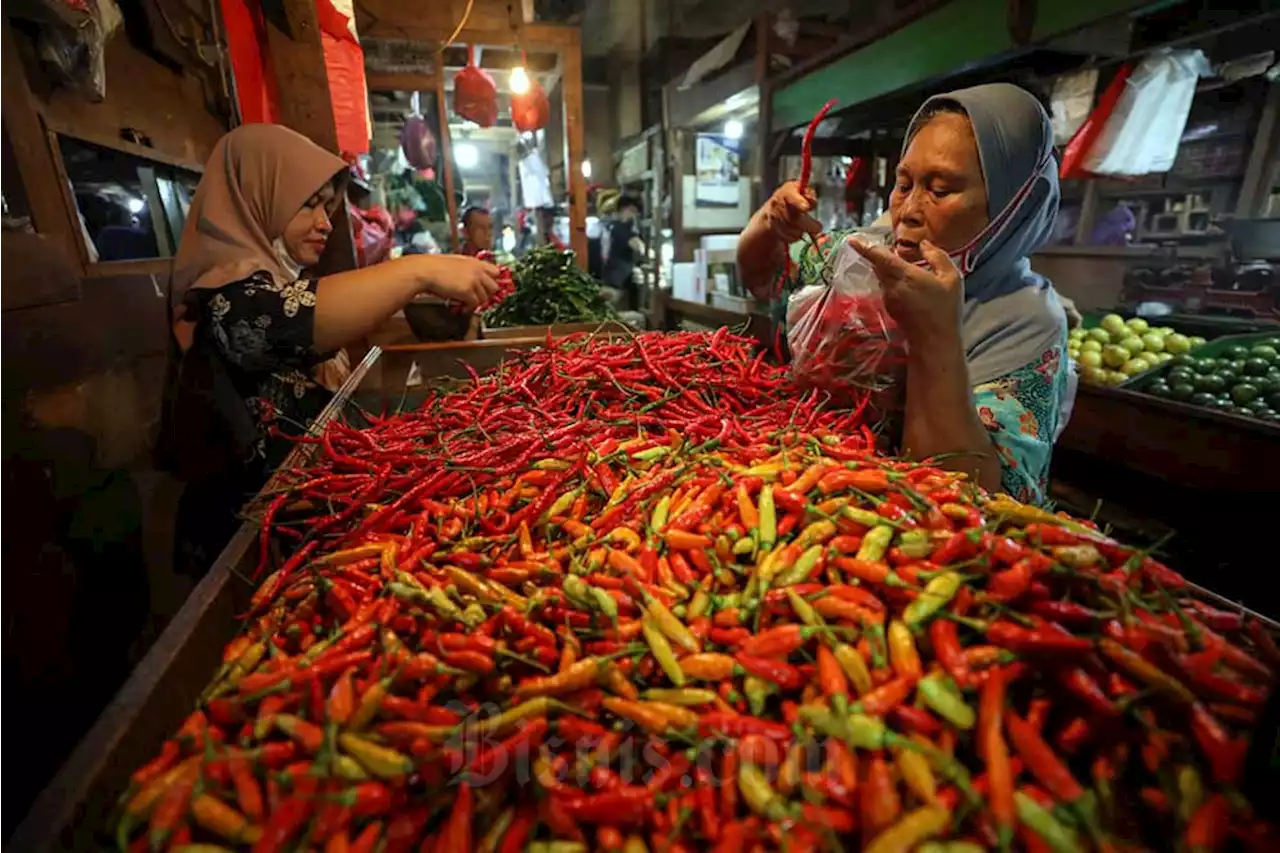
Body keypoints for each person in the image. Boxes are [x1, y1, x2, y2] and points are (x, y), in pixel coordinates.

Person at [157, 123, 499, 577]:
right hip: (244, 545)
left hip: (298, 522)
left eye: (329, 207)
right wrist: (419, 271)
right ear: (259, 196)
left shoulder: (272, 282)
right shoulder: (223, 301)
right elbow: (292, 323)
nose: (325, 222)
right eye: (310, 205)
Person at [738, 83, 1072, 504]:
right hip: (807, 495)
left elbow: (973, 503)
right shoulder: (865, 258)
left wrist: (934, 334)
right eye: (904, 184)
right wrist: (770, 222)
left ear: (1016, 205)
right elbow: (763, 278)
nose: (908, 212)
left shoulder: (1025, 323)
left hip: (909, 542)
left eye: (940, 189)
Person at [602, 195, 645, 310]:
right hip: (614, 285)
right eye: (633, 211)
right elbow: (639, 247)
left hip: (616, 281)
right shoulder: (620, 228)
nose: (634, 216)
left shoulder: (614, 226)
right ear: (625, 209)